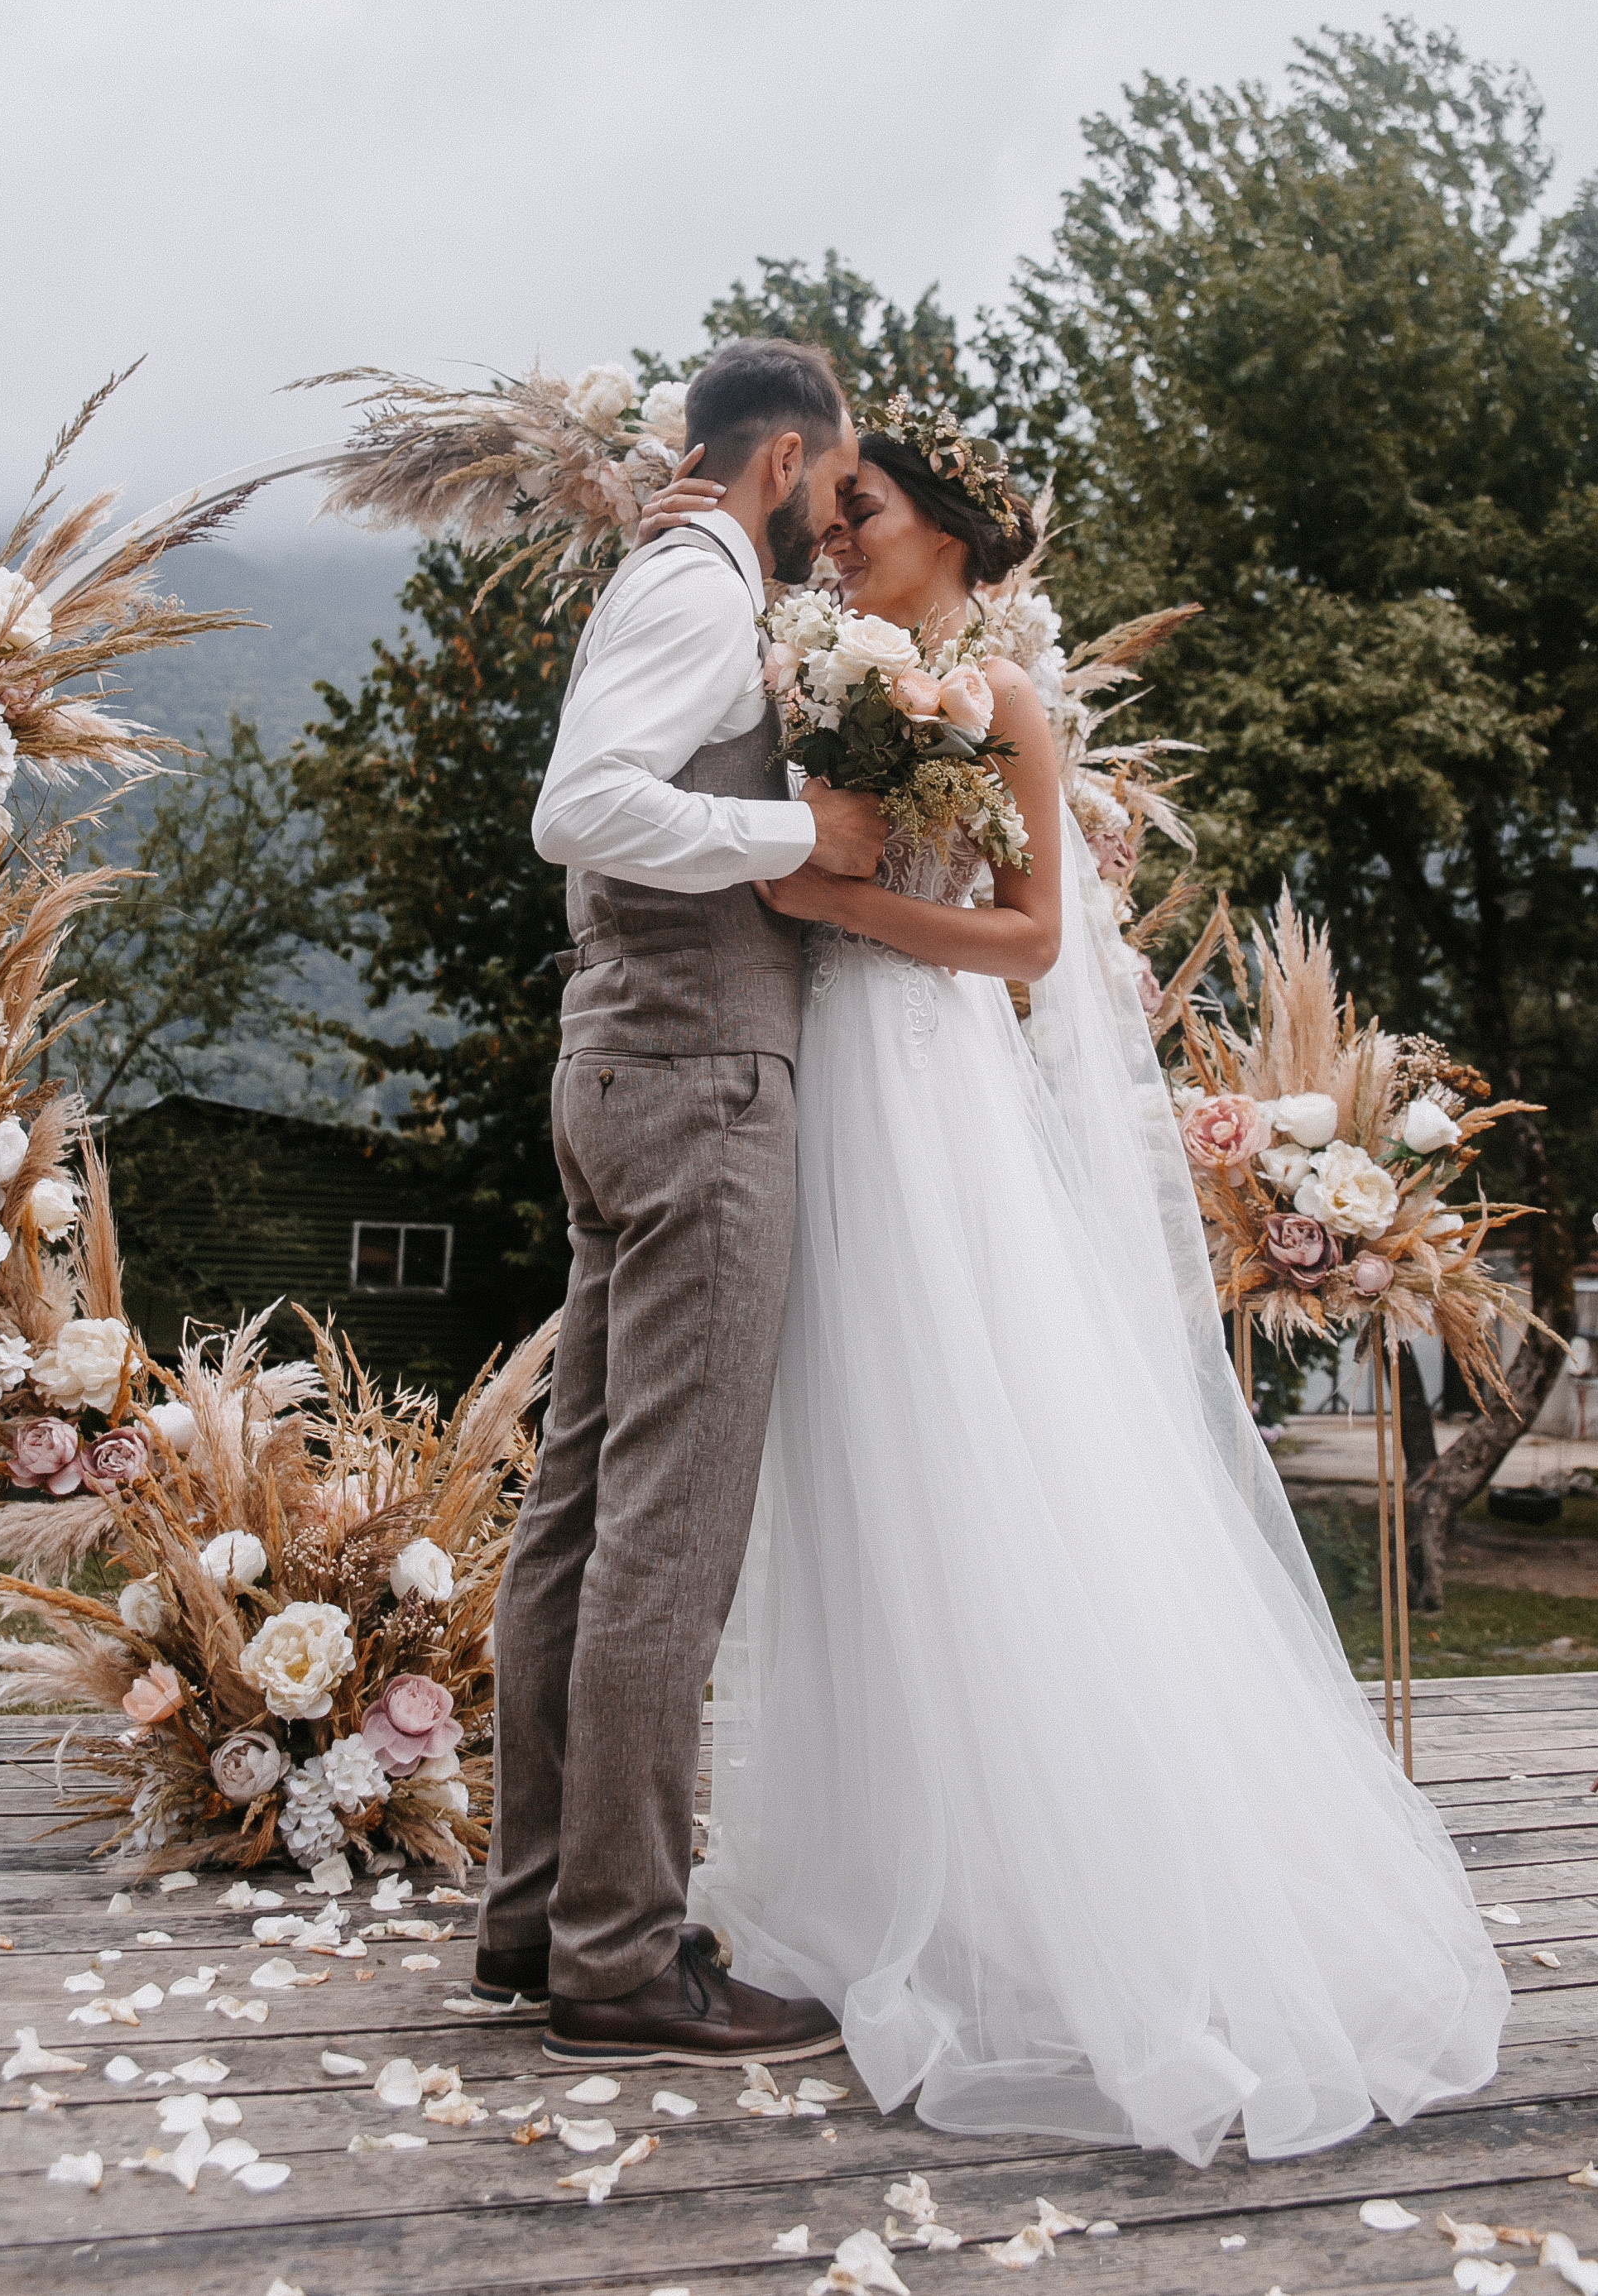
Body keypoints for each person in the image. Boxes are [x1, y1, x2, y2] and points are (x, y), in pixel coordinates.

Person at [638, 401, 1509, 2165]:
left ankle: (1050, 1893)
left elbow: (1034, 940)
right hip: (824, 1079)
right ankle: (881, 1858)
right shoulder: (818, 663)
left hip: (927, 1085)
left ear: (950, 530)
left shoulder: (1002, 701)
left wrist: (843, 905)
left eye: (860, 509)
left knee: (960, 1440)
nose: (833, 534)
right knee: (850, 1460)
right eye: (823, 512)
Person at [477, 338, 889, 2068]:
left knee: (580, 1503)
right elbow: (580, 807)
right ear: (782, 454)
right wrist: (794, 836)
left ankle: (541, 1913)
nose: (838, 513)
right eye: (836, 478)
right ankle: (623, 1956)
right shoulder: (703, 586)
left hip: (628, 1070)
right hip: (699, 1078)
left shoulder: (684, 569)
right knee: (669, 1520)